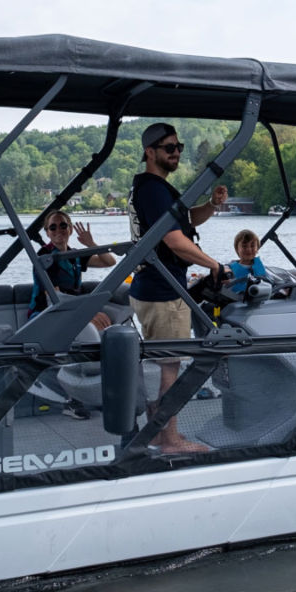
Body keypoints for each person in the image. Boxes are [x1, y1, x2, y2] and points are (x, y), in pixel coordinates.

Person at [128, 122, 227, 453]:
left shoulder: (157, 190)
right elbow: (174, 241)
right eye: (169, 147)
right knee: (170, 366)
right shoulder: (153, 189)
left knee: (167, 364)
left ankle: (158, 432)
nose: (176, 152)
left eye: (179, 147)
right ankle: (169, 438)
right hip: (162, 290)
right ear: (150, 152)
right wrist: (214, 265)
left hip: (155, 286)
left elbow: (184, 222)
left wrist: (211, 206)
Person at [29, 209, 117, 330]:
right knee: (94, 325)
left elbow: (109, 262)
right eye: (53, 227)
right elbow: (53, 296)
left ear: (70, 229)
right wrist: (85, 313)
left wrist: (91, 244)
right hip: (45, 312)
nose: (58, 230)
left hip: (70, 309)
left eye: (63, 225)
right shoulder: (45, 257)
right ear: (47, 233)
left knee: (108, 321)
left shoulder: (74, 255)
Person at [229, 229, 270, 295]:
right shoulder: (229, 269)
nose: (248, 249)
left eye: (252, 246)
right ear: (237, 249)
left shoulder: (260, 267)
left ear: (257, 249)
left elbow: (270, 282)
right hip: (236, 300)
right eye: (244, 246)